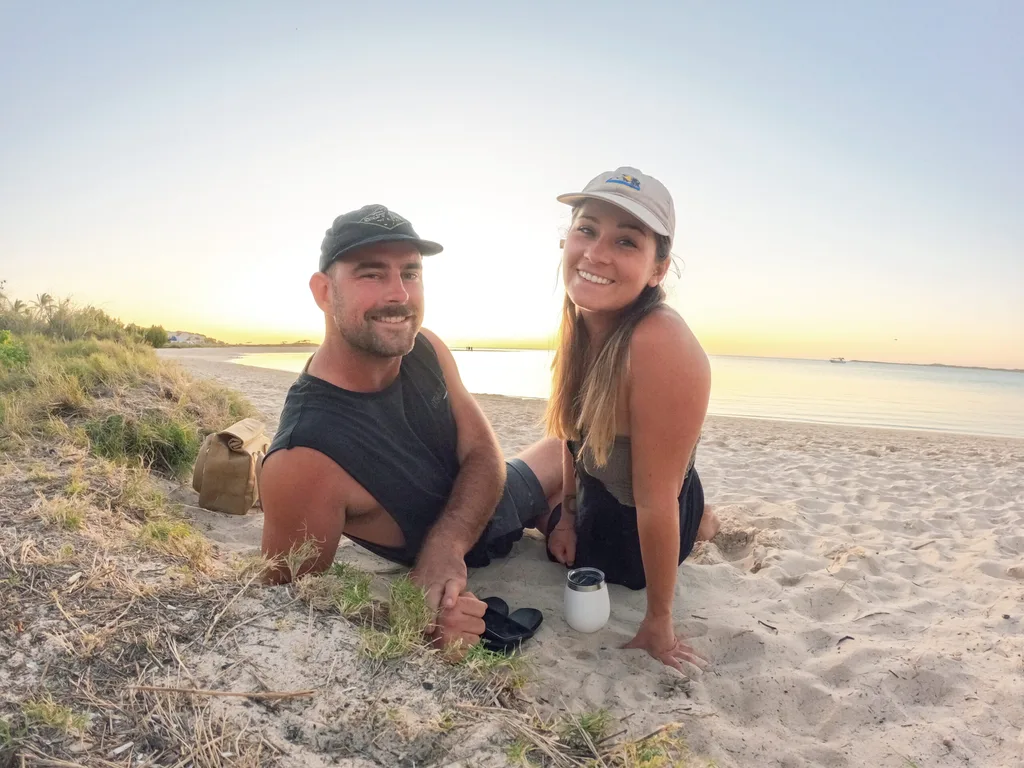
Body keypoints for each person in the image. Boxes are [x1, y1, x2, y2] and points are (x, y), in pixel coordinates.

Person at [259, 204, 562, 651]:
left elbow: (482, 450)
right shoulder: (304, 459)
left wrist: (446, 545)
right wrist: (415, 624)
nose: (399, 294)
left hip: (491, 500)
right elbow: (287, 613)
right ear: (324, 292)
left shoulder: (426, 348)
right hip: (483, 540)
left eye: (411, 273)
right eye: (372, 274)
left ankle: (697, 519)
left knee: (579, 450)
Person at [543, 167, 720, 673]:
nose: (596, 253)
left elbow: (656, 500)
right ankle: (704, 518)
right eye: (587, 229)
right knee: (544, 507)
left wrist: (659, 622)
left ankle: (700, 522)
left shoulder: (658, 342)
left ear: (658, 268)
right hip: (610, 483)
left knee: (532, 515)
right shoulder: (579, 321)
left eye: (626, 241)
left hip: (643, 517)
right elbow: (571, 435)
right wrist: (569, 517)